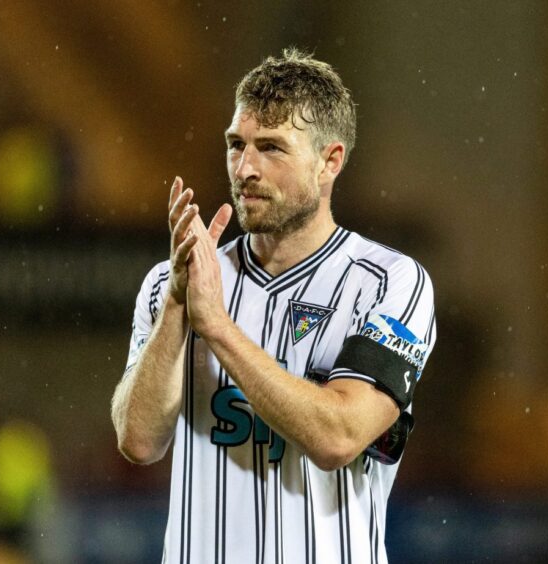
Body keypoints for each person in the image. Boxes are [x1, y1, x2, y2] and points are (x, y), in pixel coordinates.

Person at [111, 47, 436, 564]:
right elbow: (139, 440)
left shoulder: (388, 283)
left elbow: (338, 436)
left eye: (271, 148)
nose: (245, 168)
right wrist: (177, 305)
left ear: (330, 161)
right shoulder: (169, 285)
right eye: (236, 145)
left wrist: (215, 326)